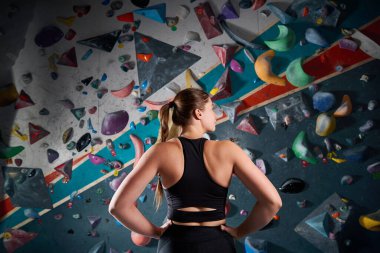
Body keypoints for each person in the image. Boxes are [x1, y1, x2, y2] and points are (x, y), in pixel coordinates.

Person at [109, 88, 282, 253]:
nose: (215, 115)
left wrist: (156, 232)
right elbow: (273, 202)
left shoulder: (159, 151)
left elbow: (118, 207)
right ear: (198, 113)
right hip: (218, 244)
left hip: (175, 244)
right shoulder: (229, 150)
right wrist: (239, 232)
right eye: (211, 109)